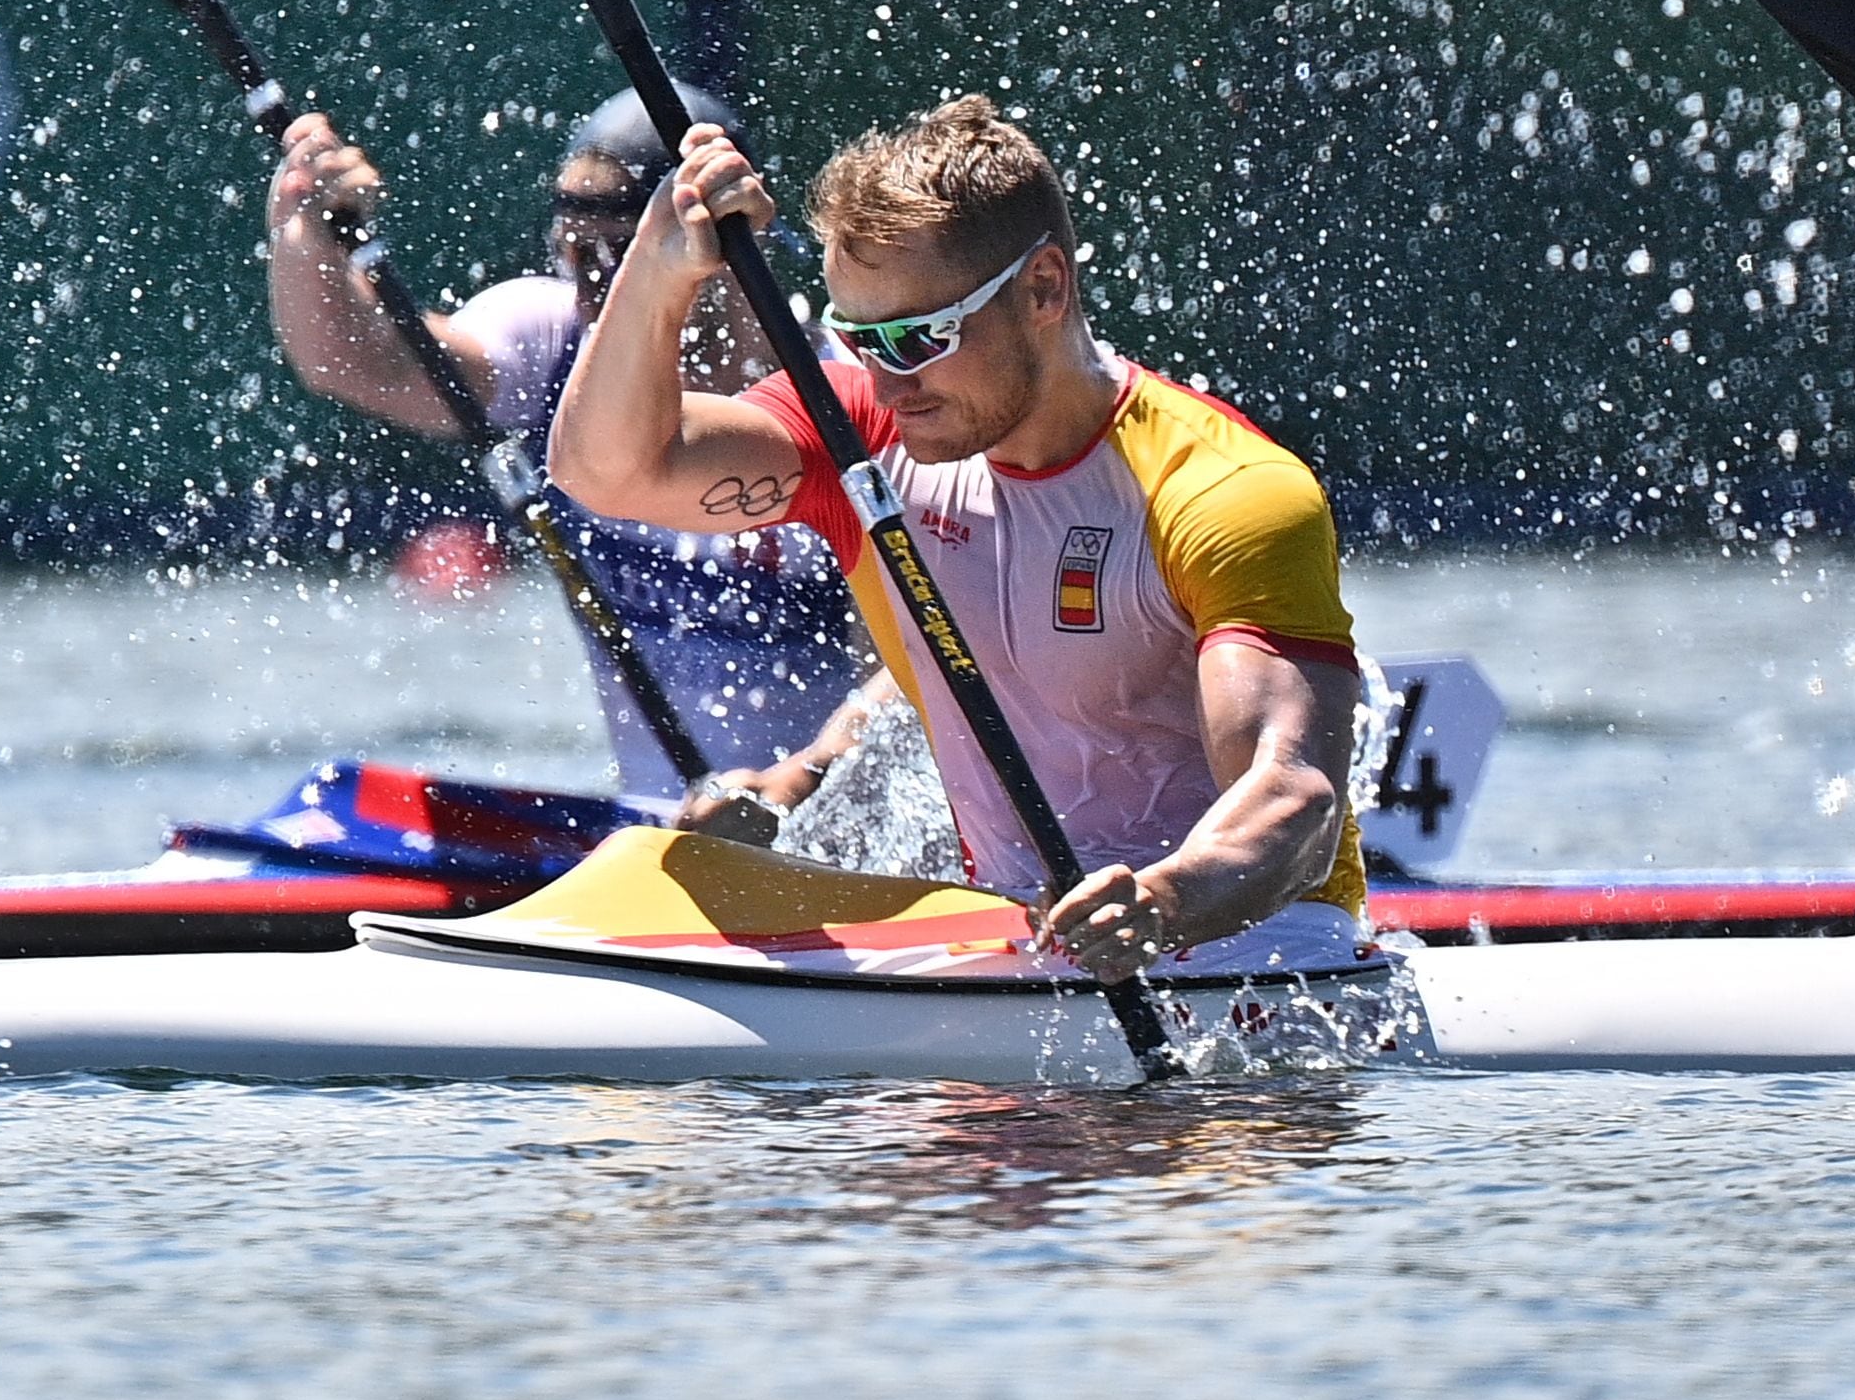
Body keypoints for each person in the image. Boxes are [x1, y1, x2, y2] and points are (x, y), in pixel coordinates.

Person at [545, 92, 1367, 978]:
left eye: (918, 337)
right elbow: (607, 473)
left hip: (1262, 965)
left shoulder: (1221, 489)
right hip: (1023, 952)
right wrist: (660, 270)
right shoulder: (856, 433)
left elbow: (1296, 799)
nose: (886, 379)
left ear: (1044, 287)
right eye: (859, 337)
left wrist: (1162, 903)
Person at [268, 84, 873, 812]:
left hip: (840, 829)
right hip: (663, 823)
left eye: (612, 251)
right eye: (568, 248)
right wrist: (307, 231)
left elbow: (919, 678)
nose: (585, 283)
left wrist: (796, 782)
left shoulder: (849, 400)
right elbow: (359, 362)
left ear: (725, 241)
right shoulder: (556, 347)